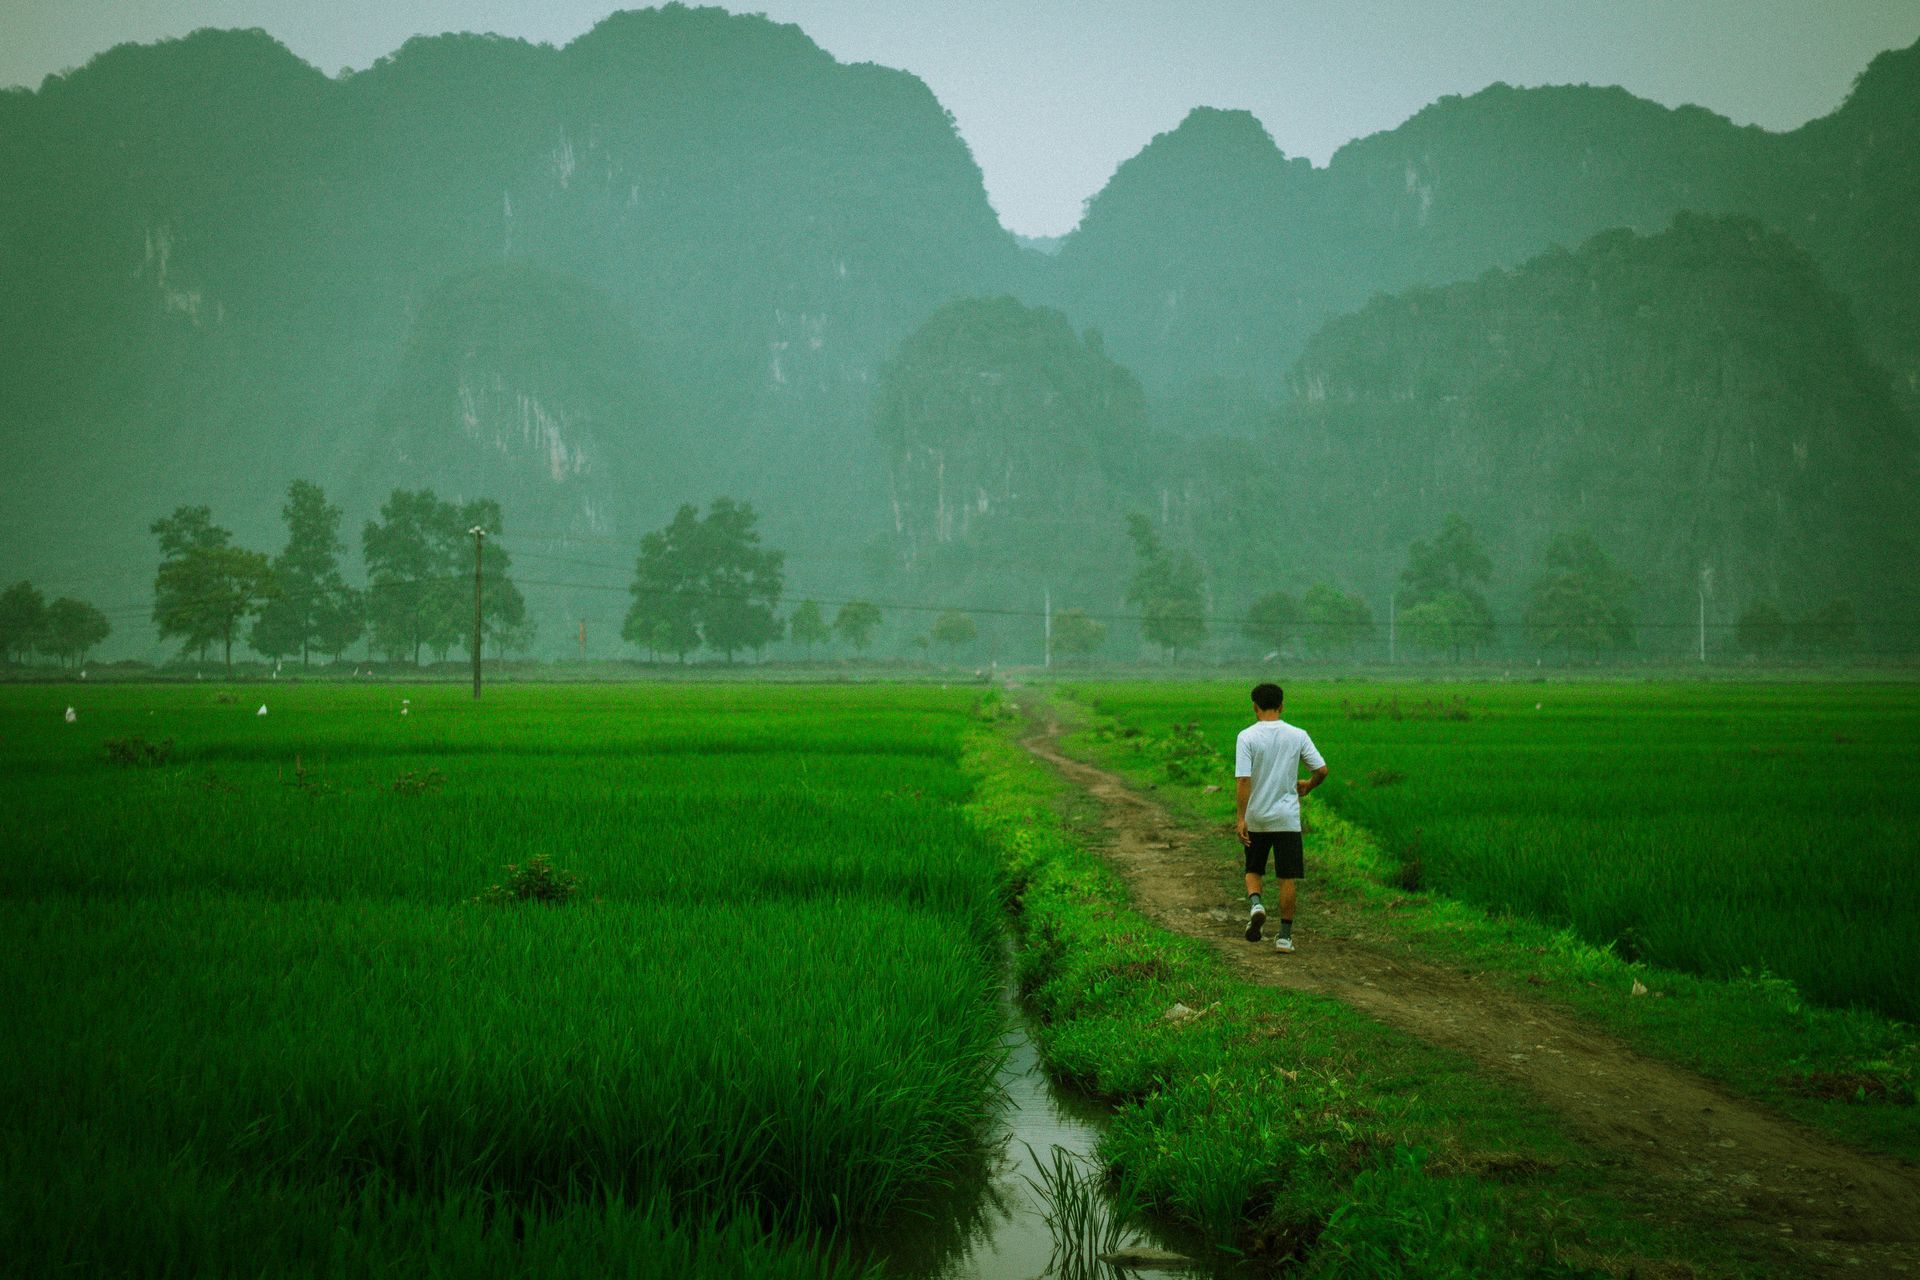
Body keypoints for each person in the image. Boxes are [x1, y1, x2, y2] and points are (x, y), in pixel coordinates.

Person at [1234, 682, 1327, 952]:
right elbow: (1321, 769)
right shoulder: (1297, 735)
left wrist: (1242, 818)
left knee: (1253, 869)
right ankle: (1285, 937)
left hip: (1257, 816)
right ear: (1282, 706)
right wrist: (1307, 786)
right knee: (1287, 877)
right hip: (1287, 818)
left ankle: (1256, 905)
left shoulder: (1247, 736)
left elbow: (1243, 779)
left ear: (1255, 707)